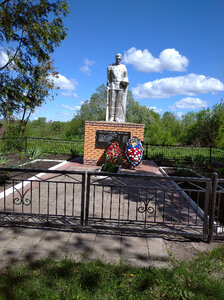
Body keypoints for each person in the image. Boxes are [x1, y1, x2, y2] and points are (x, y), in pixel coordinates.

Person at [106, 53, 129, 122]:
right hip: (113, 84)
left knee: (119, 102)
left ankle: (117, 117)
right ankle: (111, 117)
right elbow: (108, 79)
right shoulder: (111, 67)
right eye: (117, 58)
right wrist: (108, 86)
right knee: (112, 101)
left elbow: (126, 77)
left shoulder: (124, 67)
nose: (118, 59)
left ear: (121, 59)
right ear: (115, 58)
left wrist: (125, 83)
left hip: (121, 85)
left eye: (119, 58)